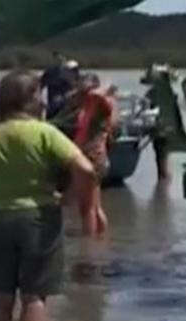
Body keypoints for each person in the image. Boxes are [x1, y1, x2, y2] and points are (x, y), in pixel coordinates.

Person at [0, 69, 97, 321]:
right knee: (33, 298)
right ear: (30, 99)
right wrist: (68, 199)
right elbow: (87, 171)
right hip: (37, 218)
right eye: (39, 94)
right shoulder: (45, 133)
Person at [71, 73, 115, 236]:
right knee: (94, 207)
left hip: (93, 157)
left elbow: (106, 90)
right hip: (91, 156)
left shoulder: (101, 104)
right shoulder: (89, 106)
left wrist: (92, 88)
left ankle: (88, 249)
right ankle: (99, 243)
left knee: (87, 208)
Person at [40, 52, 80, 119]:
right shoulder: (51, 74)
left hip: (67, 113)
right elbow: (41, 85)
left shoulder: (74, 82)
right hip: (54, 111)